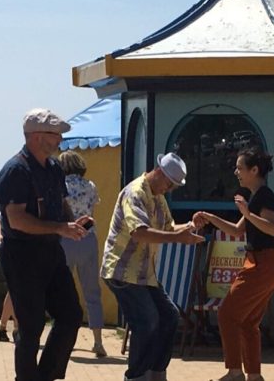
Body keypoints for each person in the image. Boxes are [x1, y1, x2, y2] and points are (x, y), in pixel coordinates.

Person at [0, 108, 88, 381]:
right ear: (36, 137)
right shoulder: (16, 171)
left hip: (51, 252)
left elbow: (62, 203)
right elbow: (17, 220)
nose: (60, 139)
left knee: (70, 314)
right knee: (31, 326)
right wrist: (61, 228)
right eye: (55, 134)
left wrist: (72, 223)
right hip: (22, 256)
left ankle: (44, 376)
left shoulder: (55, 167)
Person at [101, 152, 204, 381]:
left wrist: (190, 226)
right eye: (170, 183)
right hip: (121, 271)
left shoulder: (158, 196)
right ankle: (136, 376)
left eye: (174, 185)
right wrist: (180, 239)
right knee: (147, 321)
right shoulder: (135, 192)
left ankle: (156, 374)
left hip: (143, 275)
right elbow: (139, 232)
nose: (170, 188)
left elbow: (168, 228)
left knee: (169, 316)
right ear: (158, 172)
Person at [193, 148, 274, 381]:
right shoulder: (255, 197)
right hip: (264, 264)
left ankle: (234, 372)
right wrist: (210, 217)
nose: (236, 172)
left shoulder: (264, 195)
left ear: (254, 170)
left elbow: (272, 228)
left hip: (263, 264)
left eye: (240, 168)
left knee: (226, 313)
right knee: (248, 322)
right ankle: (254, 376)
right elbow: (236, 230)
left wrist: (248, 212)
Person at [57, 150, 106, 357]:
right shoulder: (90, 186)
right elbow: (91, 214)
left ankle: (63, 339)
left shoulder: (59, 187)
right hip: (87, 239)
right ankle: (98, 341)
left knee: (62, 293)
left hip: (65, 240)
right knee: (92, 292)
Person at [0, 213, 18, 343]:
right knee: (15, 288)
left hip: (25, 248)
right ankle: (16, 327)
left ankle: (3, 326)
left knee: (15, 289)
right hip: (11, 248)